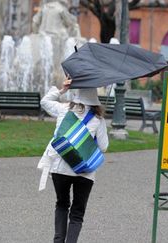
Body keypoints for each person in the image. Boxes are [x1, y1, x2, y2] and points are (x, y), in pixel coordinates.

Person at [37, 78, 109, 243]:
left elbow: (45, 102)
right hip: (85, 171)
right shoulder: (98, 119)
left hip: (60, 167)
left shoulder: (64, 110)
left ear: (77, 94)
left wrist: (62, 89)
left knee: (62, 204)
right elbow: (104, 147)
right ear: (94, 97)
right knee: (77, 212)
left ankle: (58, 240)